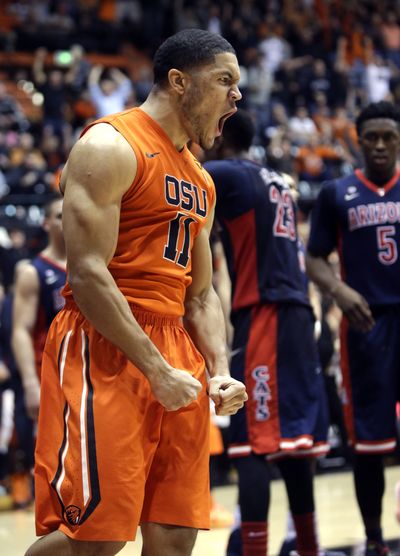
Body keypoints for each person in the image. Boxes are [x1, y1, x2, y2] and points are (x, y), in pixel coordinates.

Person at [25, 29, 247, 556]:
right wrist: (154, 368)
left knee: (174, 538)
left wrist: (217, 369)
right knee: (95, 540)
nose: (237, 96)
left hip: (176, 351)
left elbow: (200, 295)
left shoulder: (201, 179)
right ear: (178, 82)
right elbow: (86, 273)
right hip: (106, 344)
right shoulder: (109, 145)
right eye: (224, 81)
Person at [204, 109, 331, 556]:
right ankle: (308, 545)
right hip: (294, 311)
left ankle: (252, 548)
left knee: (252, 445)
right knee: (294, 443)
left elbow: (171, 178)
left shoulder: (222, 172)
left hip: (265, 313)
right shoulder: (276, 179)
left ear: (219, 137)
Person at [306, 101, 400, 556]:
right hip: (367, 328)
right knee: (369, 443)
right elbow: (313, 259)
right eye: (372, 137)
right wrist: (339, 292)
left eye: (389, 137)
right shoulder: (335, 193)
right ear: (358, 141)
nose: (380, 145)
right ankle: (375, 538)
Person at [12, 195, 66, 422]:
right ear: (46, 223)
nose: (68, 221)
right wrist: (31, 382)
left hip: (87, 367)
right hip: (49, 369)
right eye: (60, 216)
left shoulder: (95, 266)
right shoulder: (33, 272)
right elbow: (20, 331)